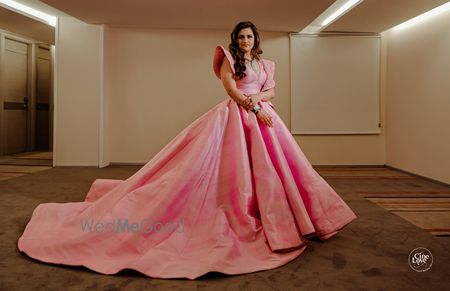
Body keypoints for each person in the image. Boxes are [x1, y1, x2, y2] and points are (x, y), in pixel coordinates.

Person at [17, 21, 357, 280]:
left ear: (256, 39)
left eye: (249, 36)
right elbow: (230, 89)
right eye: (240, 37)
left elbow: (271, 91)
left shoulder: (266, 66)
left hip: (263, 117)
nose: (244, 41)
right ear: (235, 40)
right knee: (229, 173)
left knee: (278, 170)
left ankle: (297, 220)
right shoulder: (228, 59)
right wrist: (251, 107)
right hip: (237, 118)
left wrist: (259, 102)